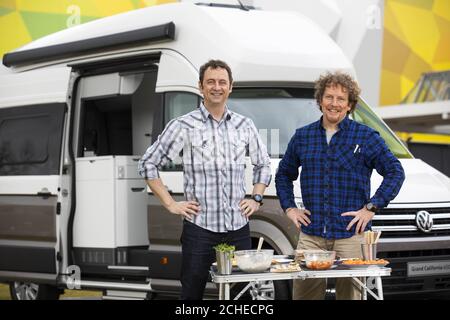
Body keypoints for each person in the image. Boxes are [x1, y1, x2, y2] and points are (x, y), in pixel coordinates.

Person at [138, 59, 271, 300]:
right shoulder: (183, 126)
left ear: (231, 87)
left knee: (242, 296)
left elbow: (263, 164)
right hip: (200, 229)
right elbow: (148, 163)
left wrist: (256, 198)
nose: (216, 87)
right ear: (200, 86)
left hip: (238, 227)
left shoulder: (244, 125)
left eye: (222, 82)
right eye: (210, 82)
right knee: (192, 293)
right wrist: (171, 204)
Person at [275, 71, 405, 300]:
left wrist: (371, 207)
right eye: (329, 97)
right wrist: (290, 208)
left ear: (349, 105)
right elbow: (284, 174)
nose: (334, 104)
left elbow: (395, 172)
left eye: (340, 99)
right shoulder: (302, 137)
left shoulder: (366, 137)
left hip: (351, 235)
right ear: (320, 100)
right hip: (311, 235)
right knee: (304, 296)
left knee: (351, 297)